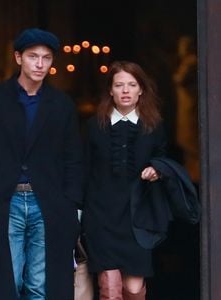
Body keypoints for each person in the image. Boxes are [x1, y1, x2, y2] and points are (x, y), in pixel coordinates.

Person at [0, 28, 83, 300]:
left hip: (49, 203)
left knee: (40, 286)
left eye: (46, 58)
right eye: (33, 57)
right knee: (8, 282)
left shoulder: (61, 105)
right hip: (5, 201)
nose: (40, 64)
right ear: (18, 58)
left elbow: (73, 157)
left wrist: (71, 203)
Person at [81, 60, 168, 300]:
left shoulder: (154, 126)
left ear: (141, 89)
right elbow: (83, 170)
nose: (126, 90)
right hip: (101, 217)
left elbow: (163, 159)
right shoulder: (93, 126)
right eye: (119, 85)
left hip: (138, 218)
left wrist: (156, 169)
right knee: (110, 289)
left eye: (132, 84)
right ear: (110, 90)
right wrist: (77, 212)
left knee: (133, 289)